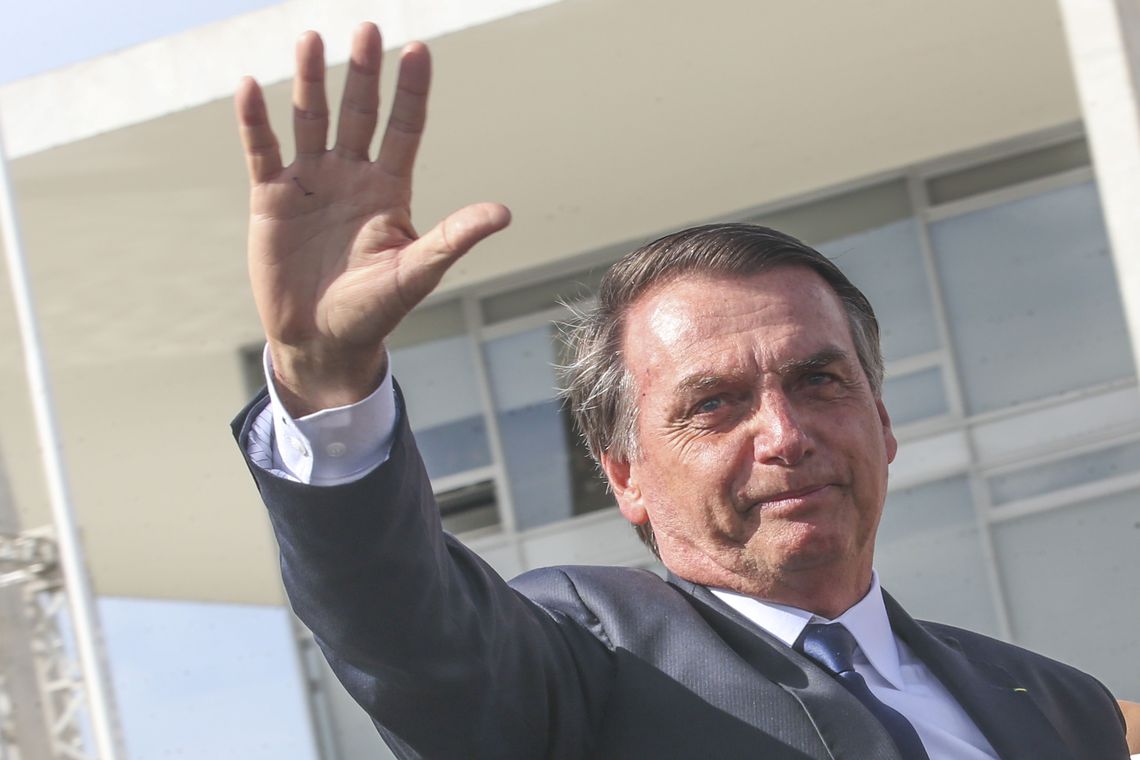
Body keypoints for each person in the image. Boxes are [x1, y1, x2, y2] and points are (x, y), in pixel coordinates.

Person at [232, 23, 1133, 759]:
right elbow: (410, 631)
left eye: (819, 381)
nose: (785, 434)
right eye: (713, 405)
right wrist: (325, 379)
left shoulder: (1060, 708)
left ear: (884, 423)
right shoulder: (580, 663)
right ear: (625, 474)